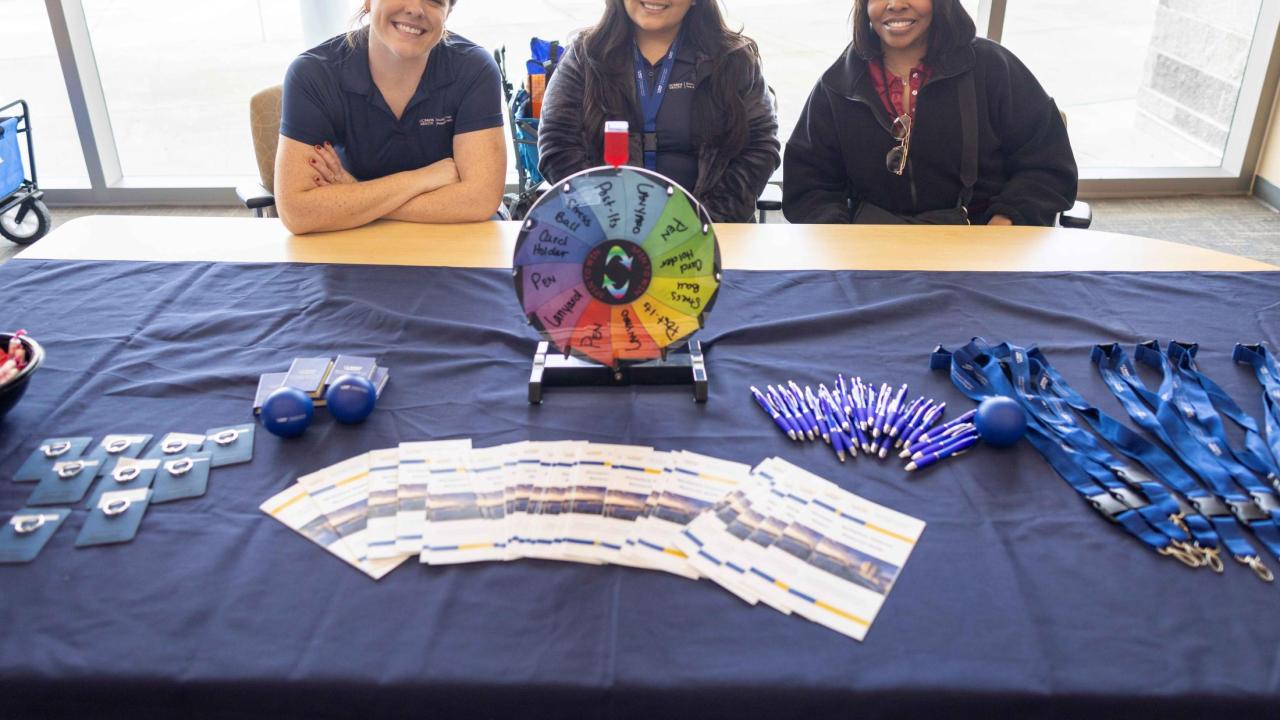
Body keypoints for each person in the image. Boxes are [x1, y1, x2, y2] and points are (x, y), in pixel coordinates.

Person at [783, 0, 1077, 226]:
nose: (895, 4)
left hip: (981, 248)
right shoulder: (837, 85)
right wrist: (841, 233)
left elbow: (1048, 166)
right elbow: (808, 184)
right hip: (872, 255)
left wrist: (1008, 219)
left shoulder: (994, 68)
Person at [538, 0, 780, 223]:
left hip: (709, 231)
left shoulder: (733, 59)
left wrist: (699, 223)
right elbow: (557, 145)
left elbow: (760, 146)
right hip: (607, 235)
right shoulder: (585, 57)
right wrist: (610, 219)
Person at [275, 0, 506, 234]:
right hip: (354, 243)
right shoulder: (313, 74)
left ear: (448, 12)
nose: (416, 9)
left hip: (456, 240)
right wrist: (422, 179)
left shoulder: (475, 69)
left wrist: (356, 194)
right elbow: (296, 212)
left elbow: (481, 200)